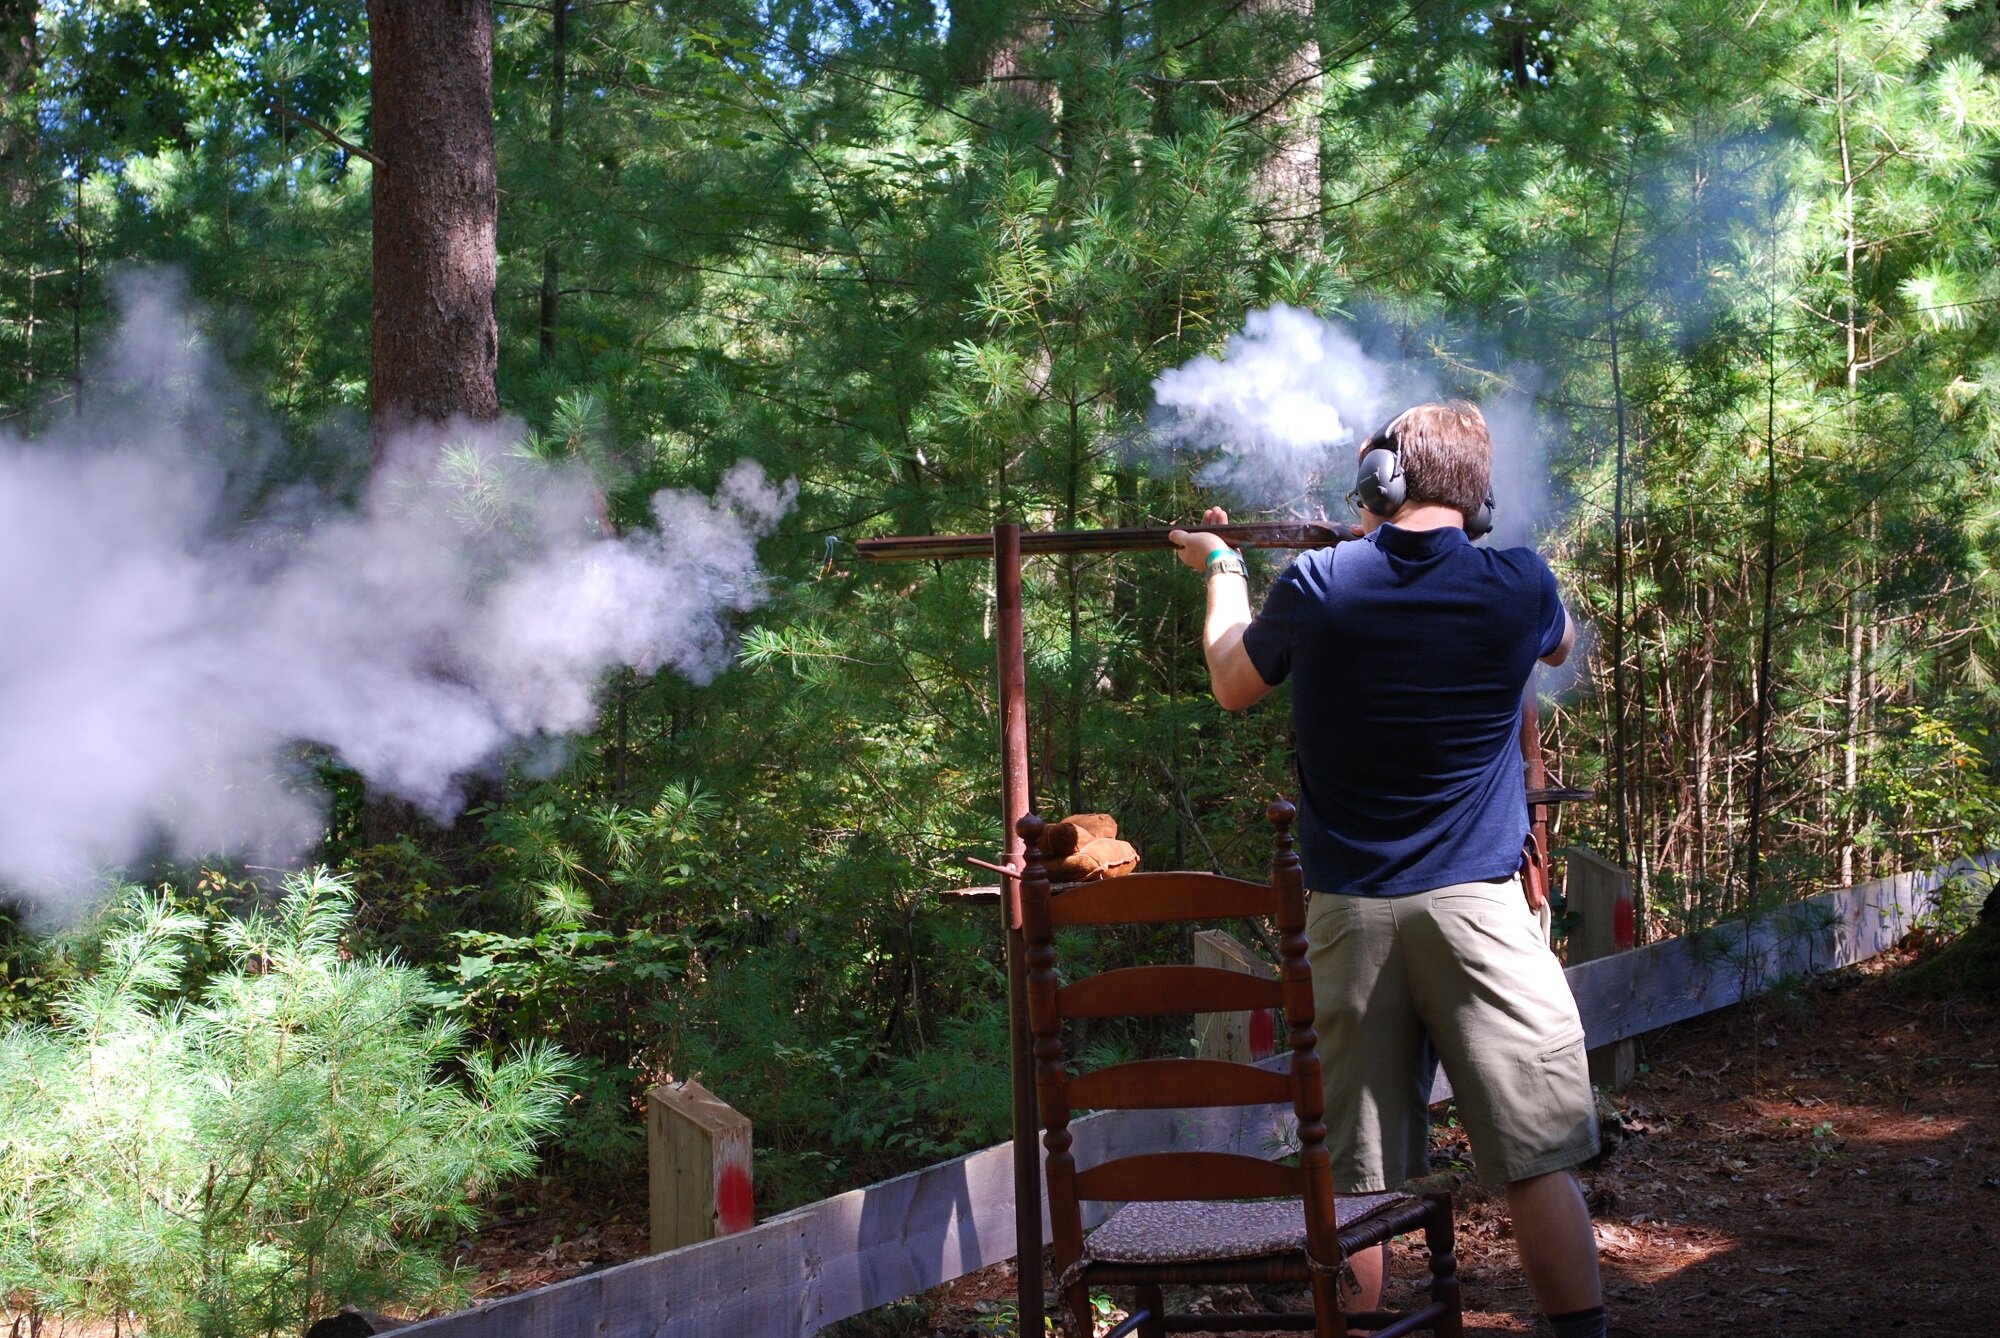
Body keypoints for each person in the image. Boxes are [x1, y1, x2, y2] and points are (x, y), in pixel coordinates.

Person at [1169, 401, 1607, 1338]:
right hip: (1484, 917)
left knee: (1357, 1183)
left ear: (1380, 483)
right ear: (1479, 501)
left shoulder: (1322, 583)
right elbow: (1564, 643)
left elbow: (1230, 679)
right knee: (1536, 1163)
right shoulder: (1520, 584)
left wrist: (1223, 571)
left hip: (1350, 916)